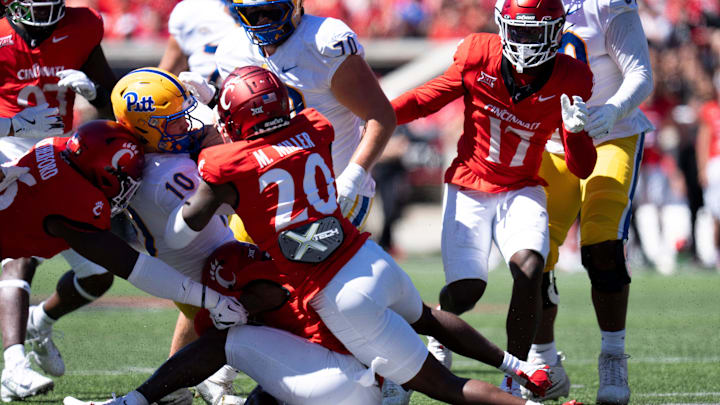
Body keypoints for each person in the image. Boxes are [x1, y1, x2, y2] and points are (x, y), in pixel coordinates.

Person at [159, 65, 584, 405]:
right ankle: (522, 367)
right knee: (427, 317)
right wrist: (224, 103)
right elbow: (283, 123)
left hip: (336, 291)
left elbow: (179, 234)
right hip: (368, 257)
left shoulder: (225, 162)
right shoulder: (313, 127)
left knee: (445, 386)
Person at [390, 0, 597, 399]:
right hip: (470, 184)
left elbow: (582, 167)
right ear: (503, 26)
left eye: (535, 32)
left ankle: (513, 380)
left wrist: (577, 133)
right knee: (466, 292)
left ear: (555, 31)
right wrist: (376, 113)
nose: (525, 41)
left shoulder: (572, 77)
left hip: (522, 186)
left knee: (530, 266)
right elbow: (426, 99)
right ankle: (438, 331)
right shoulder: (478, 54)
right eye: (518, 30)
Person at [0, 120, 251, 401]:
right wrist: (212, 300)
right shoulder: (72, 200)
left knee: (96, 276)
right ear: (105, 173)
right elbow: (135, 267)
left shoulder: (58, 148)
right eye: (126, 178)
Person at [525, 0, 655, 401]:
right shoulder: (520, 4)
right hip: (551, 138)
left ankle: (613, 359)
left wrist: (612, 110)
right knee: (532, 250)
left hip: (611, 131)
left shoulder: (606, 3)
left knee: (601, 240)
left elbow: (641, 74)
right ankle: (545, 361)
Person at [0, 0, 121, 395]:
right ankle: (13, 366)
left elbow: (111, 102)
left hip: (58, 155)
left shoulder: (83, 24)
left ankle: (41, 321)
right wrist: (15, 122)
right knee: (20, 255)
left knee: (100, 271)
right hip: (6, 153)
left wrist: (97, 90)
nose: (42, 18)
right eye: (32, 10)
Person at [212, 0, 396, 233]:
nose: (262, 21)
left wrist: (353, 177)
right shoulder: (232, 51)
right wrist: (212, 100)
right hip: (272, 189)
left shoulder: (323, 44)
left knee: (312, 265)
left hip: (331, 188)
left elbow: (381, 116)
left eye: (271, 11)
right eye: (253, 13)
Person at [697, 72, 720, 270]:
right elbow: (703, 141)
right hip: (715, 164)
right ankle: (713, 253)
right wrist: (702, 168)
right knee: (715, 213)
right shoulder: (710, 110)